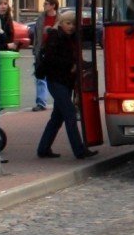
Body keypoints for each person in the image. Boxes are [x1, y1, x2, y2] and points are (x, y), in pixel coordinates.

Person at [34, 8, 97, 160]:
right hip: (56, 80)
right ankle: (79, 150)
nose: (71, 27)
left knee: (57, 116)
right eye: (68, 23)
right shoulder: (55, 37)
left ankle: (43, 148)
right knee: (69, 114)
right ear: (61, 23)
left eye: (74, 24)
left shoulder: (71, 38)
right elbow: (51, 60)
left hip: (65, 81)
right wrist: (71, 65)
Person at [32, 0, 60, 111]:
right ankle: (41, 102)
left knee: (55, 77)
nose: (44, 5)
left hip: (54, 51)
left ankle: (59, 102)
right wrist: (35, 49)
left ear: (53, 5)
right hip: (41, 50)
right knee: (40, 76)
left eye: (46, 4)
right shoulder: (41, 18)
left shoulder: (60, 18)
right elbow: (36, 35)